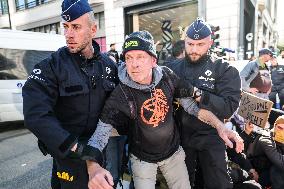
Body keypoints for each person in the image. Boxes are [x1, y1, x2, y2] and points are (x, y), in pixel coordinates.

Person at [85, 30, 243, 189]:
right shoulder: (120, 94)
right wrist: (92, 168)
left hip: (173, 155)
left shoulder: (167, 76)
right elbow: (100, 134)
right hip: (142, 160)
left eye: (140, 57)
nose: (134, 64)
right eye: (129, 58)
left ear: (153, 60)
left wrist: (220, 127)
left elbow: (192, 108)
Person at [22, 0, 118, 189]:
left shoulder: (108, 66)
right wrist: (78, 150)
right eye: (65, 27)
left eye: (75, 27)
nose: (68, 34)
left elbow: (119, 103)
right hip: (68, 154)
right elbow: (36, 115)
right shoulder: (51, 66)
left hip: (99, 153)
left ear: (93, 29)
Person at [168, 18, 242, 189]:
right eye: (190, 44)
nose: (194, 50)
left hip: (211, 137)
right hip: (180, 138)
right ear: (184, 41)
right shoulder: (172, 68)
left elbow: (228, 108)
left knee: (219, 184)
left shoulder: (224, 69)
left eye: (200, 44)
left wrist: (197, 94)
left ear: (210, 42)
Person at [246, 115, 284, 188]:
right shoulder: (265, 139)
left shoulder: (281, 139)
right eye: (280, 128)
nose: (282, 131)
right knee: (277, 170)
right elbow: (280, 162)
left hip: (269, 172)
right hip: (257, 173)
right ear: (275, 126)